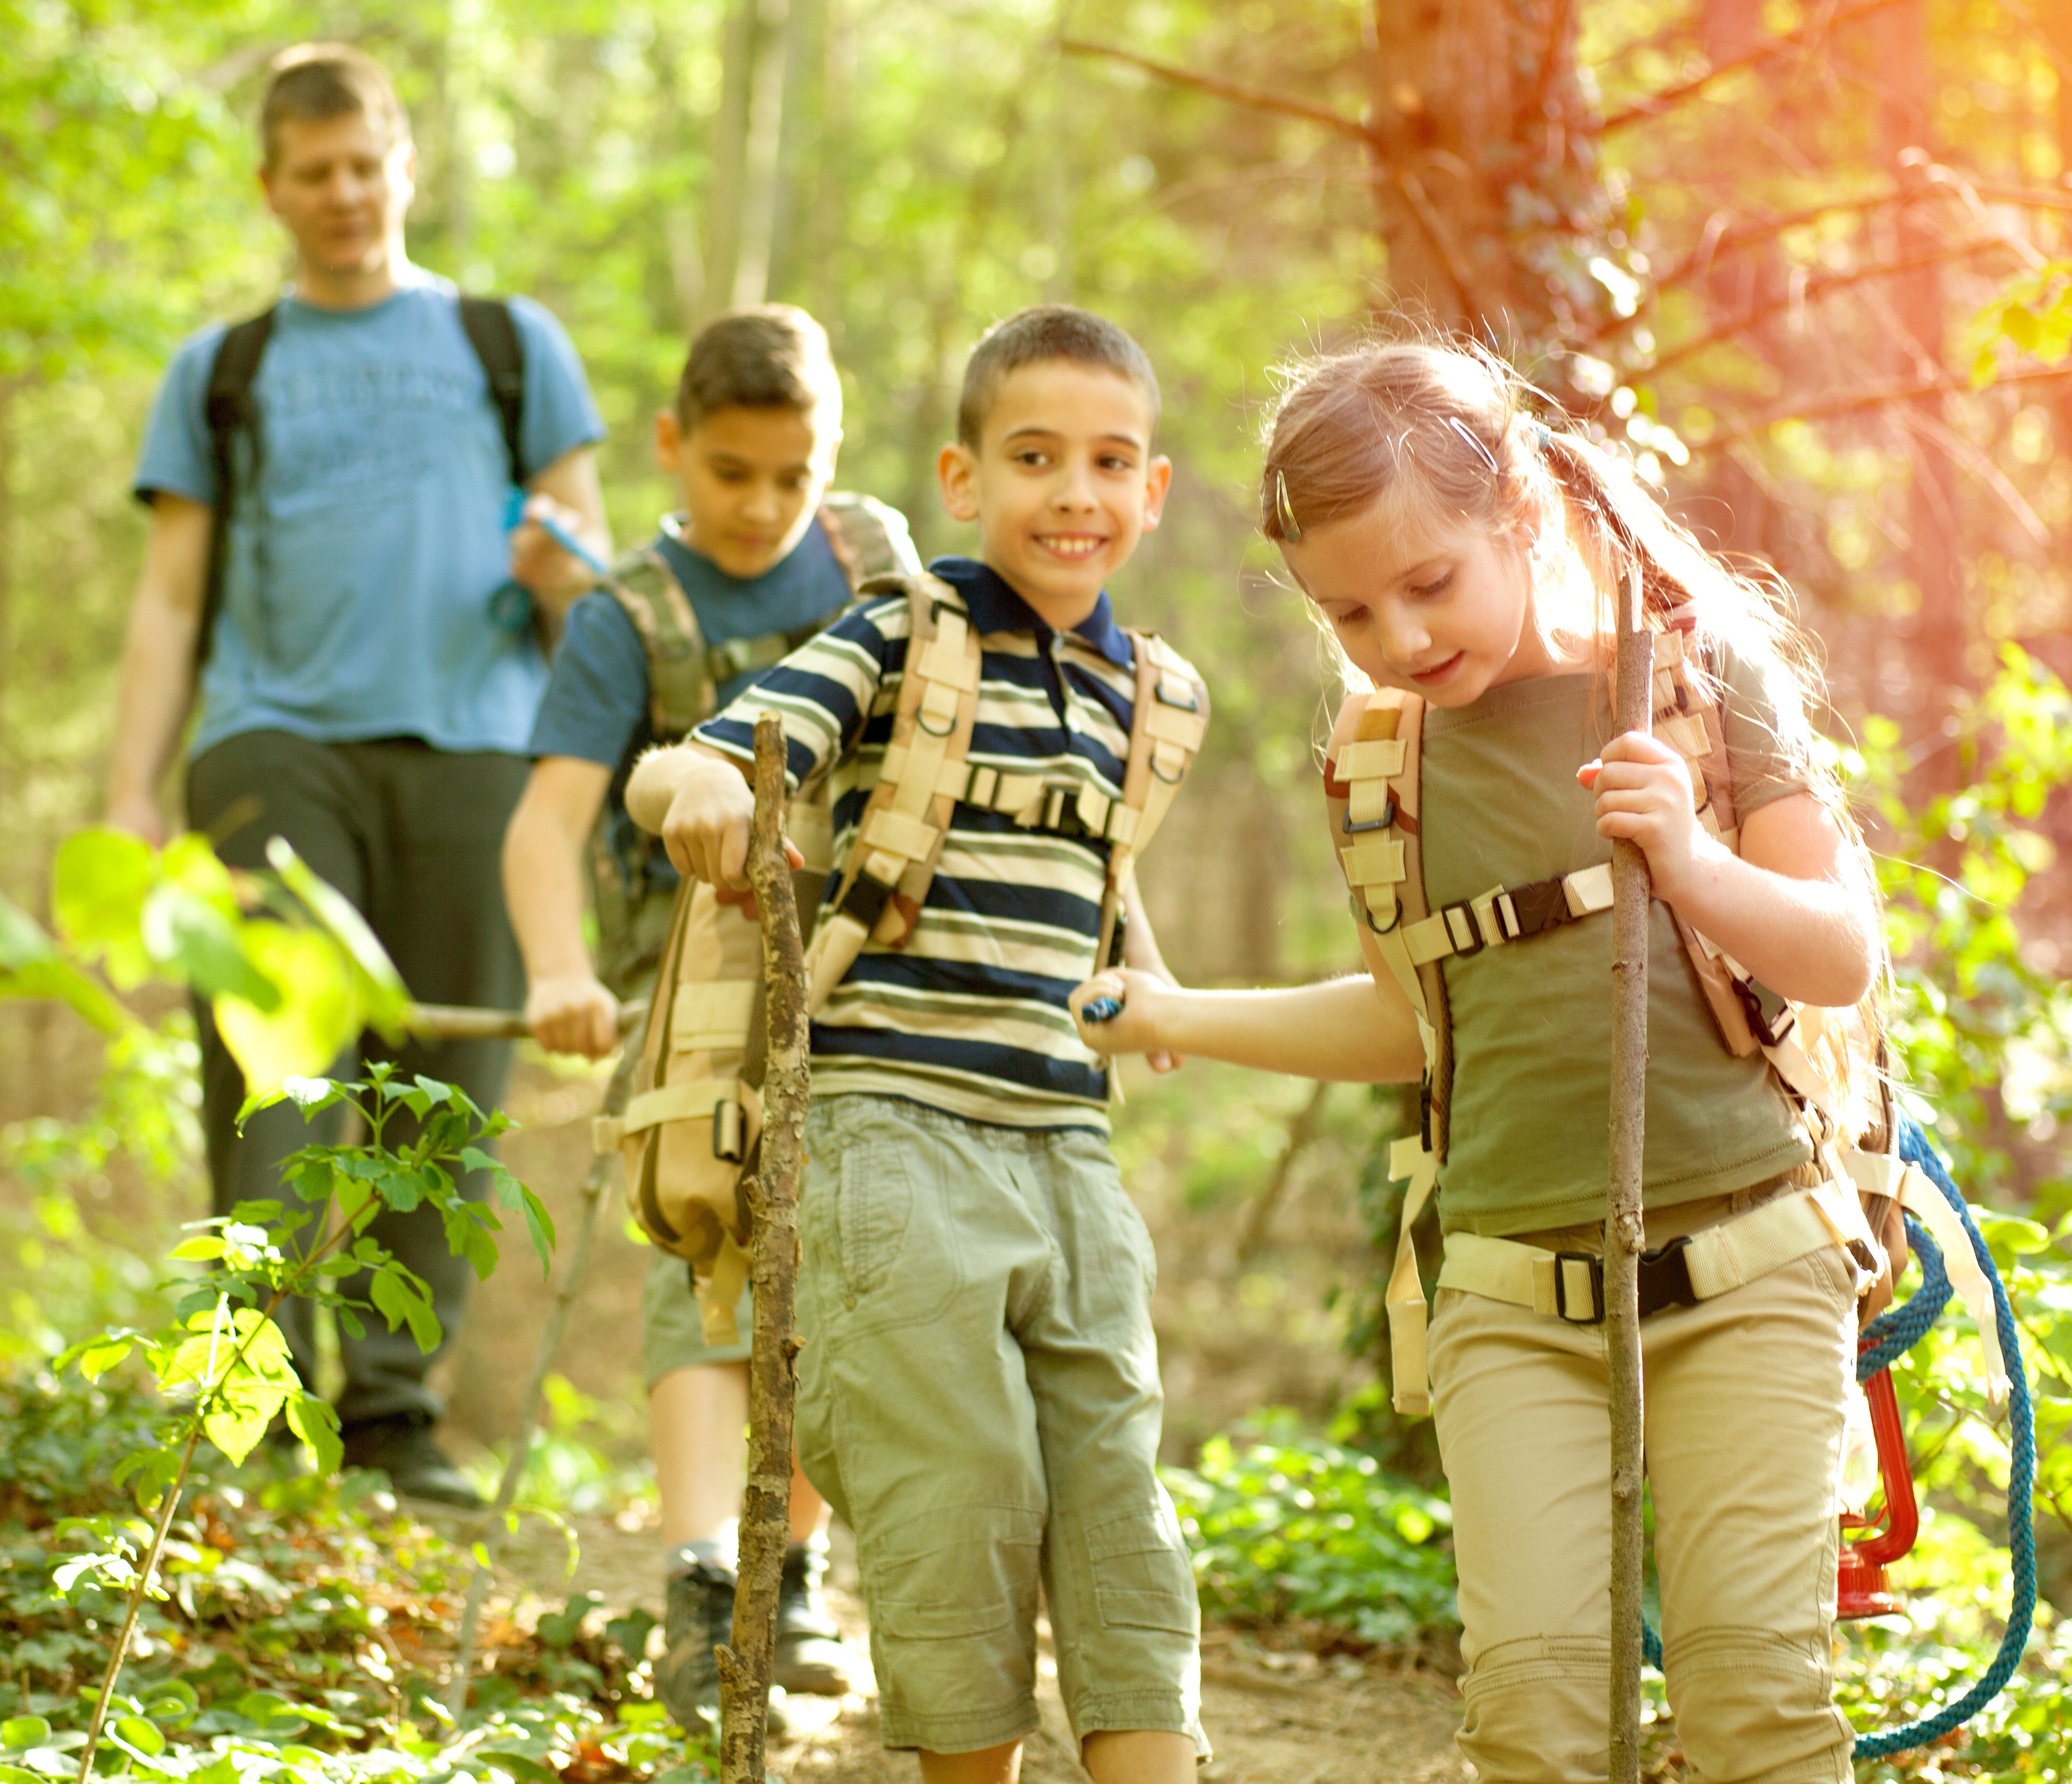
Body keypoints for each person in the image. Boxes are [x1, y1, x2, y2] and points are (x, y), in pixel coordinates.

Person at [1071, 340, 1893, 1784]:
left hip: (1750, 1267)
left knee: (1759, 1712)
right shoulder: (1383, 761)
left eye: (1430, 582)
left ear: (1516, 500)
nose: (1397, 636)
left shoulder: (1695, 674)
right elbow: (1417, 1019)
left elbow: (1837, 954)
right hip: (1512, 1294)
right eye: (1351, 610)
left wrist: (1687, 855)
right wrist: (1177, 1012)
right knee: (1534, 1724)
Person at [624, 307, 1207, 1784]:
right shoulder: (903, 631)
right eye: (1033, 457)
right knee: (957, 1484)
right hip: (894, 1133)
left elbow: (1092, 875)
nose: (1073, 491)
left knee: (1116, 1490)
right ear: (963, 478)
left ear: (1152, 491)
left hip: (1071, 1145)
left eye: (1107, 461)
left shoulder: (1152, 690)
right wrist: (690, 782)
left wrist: (1154, 981)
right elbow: (710, 751)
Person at [103, 42, 612, 1508]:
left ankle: (395, 1411)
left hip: (479, 752)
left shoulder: (511, 346)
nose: (341, 193)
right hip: (272, 740)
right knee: (276, 1071)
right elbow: (167, 595)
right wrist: (134, 787)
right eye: (310, 173)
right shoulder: (225, 369)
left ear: (407, 164)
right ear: (272, 190)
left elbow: (590, 571)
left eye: (363, 163)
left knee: (443, 1084)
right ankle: (246, 1410)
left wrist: (552, 564)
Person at [500, 304, 915, 1726]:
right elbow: (547, 824)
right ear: (672, 445)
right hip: (689, 982)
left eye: (790, 478)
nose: (759, 507)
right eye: (729, 472)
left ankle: (785, 1567)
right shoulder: (630, 616)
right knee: (709, 1232)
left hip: (864, 963)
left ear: (832, 460)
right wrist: (558, 969)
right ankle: (698, 1571)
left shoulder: (878, 563)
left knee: (824, 1259)